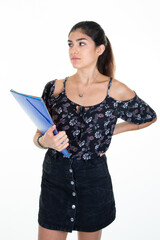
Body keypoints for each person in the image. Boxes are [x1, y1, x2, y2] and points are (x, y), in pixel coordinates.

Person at [33, 21, 157, 240]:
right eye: (70, 44)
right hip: (55, 178)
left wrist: (110, 132)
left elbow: (148, 117)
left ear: (100, 49)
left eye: (81, 43)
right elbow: (38, 136)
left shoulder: (116, 90)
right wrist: (46, 142)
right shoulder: (54, 88)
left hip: (93, 179)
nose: (73, 50)